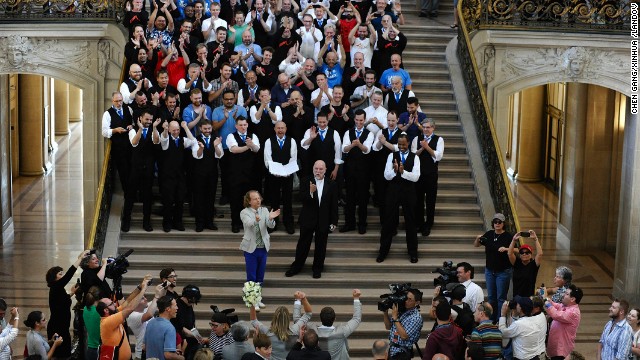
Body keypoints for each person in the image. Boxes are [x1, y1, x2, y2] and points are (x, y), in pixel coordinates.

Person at [285, 160, 339, 279]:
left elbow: (334, 205)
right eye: (316, 169)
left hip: (323, 220)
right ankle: (296, 267)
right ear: (313, 169)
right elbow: (300, 199)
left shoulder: (332, 184)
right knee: (303, 245)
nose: (318, 171)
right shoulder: (305, 180)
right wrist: (310, 192)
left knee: (321, 246)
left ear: (325, 170)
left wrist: (334, 221)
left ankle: (317, 268)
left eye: (320, 169)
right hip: (308, 219)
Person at [376, 133, 420, 263]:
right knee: (388, 221)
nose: (401, 147)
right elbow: (386, 175)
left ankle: (413, 252)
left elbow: (416, 177)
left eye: (404, 144)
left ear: (408, 143)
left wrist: (403, 172)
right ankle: (383, 252)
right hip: (393, 191)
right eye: (399, 144)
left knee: (411, 222)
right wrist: (395, 171)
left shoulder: (415, 157)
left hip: (409, 191)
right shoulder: (391, 155)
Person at [121, 110, 162, 232]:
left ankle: (146, 221)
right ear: (140, 118)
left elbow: (156, 141)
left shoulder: (154, 130)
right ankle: (126, 220)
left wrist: (154, 128)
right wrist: (139, 128)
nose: (149, 122)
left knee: (147, 196)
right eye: (147, 119)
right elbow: (134, 142)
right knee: (130, 195)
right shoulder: (133, 130)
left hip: (148, 168)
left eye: (150, 120)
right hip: (135, 168)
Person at [45, 249, 89, 358]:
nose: (63, 275)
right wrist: (80, 258)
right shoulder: (56, 287)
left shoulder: (58, 289)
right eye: (60, 274)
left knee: (65, 354)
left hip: (62, 327)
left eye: (62, 273)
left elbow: (61, 302)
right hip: (57, 328)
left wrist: (71, 293)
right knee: (61, 355)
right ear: (54, 278)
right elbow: (69, 274)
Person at [240, 190, 280, 309]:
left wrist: (272, 219)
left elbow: (270, 225)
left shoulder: (265, 210)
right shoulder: (244, 212)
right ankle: (251, 302)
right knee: (251, 276)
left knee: (260, 276)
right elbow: (248, 224)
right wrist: (255, 220)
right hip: (250, 248)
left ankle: (257, 298)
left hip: (263, 247)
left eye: (259, 198)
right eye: (255, 199)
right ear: (249, 201)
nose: (258, 200)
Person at [97, 275, 151, 360]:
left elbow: (128, 301)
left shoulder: (113, 314)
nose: (115, 304)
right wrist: (144, 290)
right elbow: (130, 308)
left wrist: (140, 286)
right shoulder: (107, 322)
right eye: (112, 304)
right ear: (106, 310)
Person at [159, 120, 200, 232]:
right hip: (167, 176)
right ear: (170, 130)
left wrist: (185, 128)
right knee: (168, 200)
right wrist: (165, 130)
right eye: (174, 130)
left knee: (180, 200)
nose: (176, 132)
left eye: (177, 130)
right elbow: (163, 138)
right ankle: (167, 223)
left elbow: (193, 141)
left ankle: (178, 222)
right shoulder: (166, 139)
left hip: (180, 176)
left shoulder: (183, 140)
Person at [474, 213, 513, 322]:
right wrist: (477, 239)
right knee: (491, 297)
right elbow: (476, 245)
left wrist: (506, 249)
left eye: (499, 222)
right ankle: (491, 319)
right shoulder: (489, 234)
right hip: (490, 270)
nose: (497, 224)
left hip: (503, 271)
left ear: (503, 223)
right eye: (495, 222)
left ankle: (500, 320)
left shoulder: (508, 236)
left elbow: (516, 250)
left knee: (501, 298)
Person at [250, 291, 312, 360]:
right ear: (288, 319)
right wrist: (302, 299)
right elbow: (308, 313)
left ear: (274, 318)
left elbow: (254, 321)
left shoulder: (267, 332)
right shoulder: (296, 330)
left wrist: (252, 303)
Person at [341, 109, 374, 234]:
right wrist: (352, 145)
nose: (359, 122)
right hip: (350, 169)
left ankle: (362, 224)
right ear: (354, 119)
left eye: (361, 120)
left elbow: (367, 150)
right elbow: (344, 149)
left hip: (364, 170)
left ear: (364, 120)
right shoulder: (348, 132)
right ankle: (350, 223)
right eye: (357, 120)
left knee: (363, 198)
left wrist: (358, 144)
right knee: (349, 197)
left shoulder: (369, 134)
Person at [227, 116, 261, 233]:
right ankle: (235, 223)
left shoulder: (253, 135)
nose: (243, 127)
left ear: (247, 125)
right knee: (235, 200)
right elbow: (234, 149)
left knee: (250, 202)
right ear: (236, 126)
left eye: (244, 125)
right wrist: (248, 146)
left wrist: (252, 146)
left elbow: (257, 149)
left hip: (250, 174)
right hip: (235, 174)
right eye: (240, 125)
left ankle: (249, 224)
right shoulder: (231, 136)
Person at [307, 289, 362, 360]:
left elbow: (298, 321)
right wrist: (356, 298)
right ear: (334, 318)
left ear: (320, 318)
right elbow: (357, 318)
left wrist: (298, 300)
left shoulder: (312, 331)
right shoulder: (342, 331)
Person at [263, 121, 297, 234]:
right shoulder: (269, 141)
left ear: (286, 129)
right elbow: (268, 158)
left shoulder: (292, 141)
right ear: (275, 129)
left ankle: (288, 223)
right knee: (274, 200)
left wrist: (287, 170)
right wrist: (274, 170)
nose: (280, 130)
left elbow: (293, 158)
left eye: (282, 128)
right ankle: (273, 223)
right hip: (273, 175)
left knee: (288, 199)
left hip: (288, 174)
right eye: (278, 128)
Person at [411, 118, 444, 237]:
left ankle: (428, 224)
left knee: (430, 201)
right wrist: (422, 147)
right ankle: (419, 223)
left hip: (431, 175)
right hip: (418, 175)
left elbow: (438, 156)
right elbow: (413, 154)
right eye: (424, 127)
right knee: (418, 200)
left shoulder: (439, 140)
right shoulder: (416, 139)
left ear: (433, 128)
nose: (425, 129)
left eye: (428, 127)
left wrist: (427, 147)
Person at [193, 120, 224, 232]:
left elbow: (220, 155)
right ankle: (199, 223)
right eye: (205, 129)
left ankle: (209, 222)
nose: (207, 131)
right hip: (199, 173)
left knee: (211, 198)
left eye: (209, 129)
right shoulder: (195, 139)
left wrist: (216, 146)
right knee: (199, 198)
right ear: (201, 128)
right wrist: (201, 148)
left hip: (212, 173)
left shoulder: (216, 139)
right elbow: (196, 155)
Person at [102, 91, 133, 192]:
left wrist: (131, 126)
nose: (119, 103)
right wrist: (115, 130)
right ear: (112, 101)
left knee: (133, 171)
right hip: (119, 149)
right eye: (117, 101)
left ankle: (134, 193)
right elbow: (104, 132)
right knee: (123, 173)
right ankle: (127, 194)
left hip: (131, 146)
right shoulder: (107, 114)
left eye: (121, 101)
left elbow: (133, 122)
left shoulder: (128, 109)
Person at [382, 288, 423, 359]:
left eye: (410, 299)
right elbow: (388, 327)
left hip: (402, 353)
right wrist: (385, 312)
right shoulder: (401, 311)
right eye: (406, 298)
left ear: (417, 302)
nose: (406, 301)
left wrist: (395, 318)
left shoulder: (416, 317)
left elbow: (404, 336)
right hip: (392, 350)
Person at [544, 284, 583, 360]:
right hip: (556, 344)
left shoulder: (574, 313)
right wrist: (547, 300)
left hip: (562, 349)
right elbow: (556, 305)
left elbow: (556, 315)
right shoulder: (566, 305)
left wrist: (548, 305)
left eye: (566, 294)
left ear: (572, 299)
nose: (563, 295)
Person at [128, 284, 166, 360]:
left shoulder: (144, 308)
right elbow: (149, 314)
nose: (146, 299)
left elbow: (160, 299)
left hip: (152, 351)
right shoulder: (132, 316)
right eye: (142, 298)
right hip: (142, 353)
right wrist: (156, 297)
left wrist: (164, 286)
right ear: (135, 303)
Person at [144, 295, 185, 360]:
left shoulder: (150, 323)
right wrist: (181, 358)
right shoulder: (169, 328)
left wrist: (172, 350)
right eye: (175, 305)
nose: (177, 308)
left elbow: (145, 347)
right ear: (168, 309)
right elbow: (168, 355)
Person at [508, 231, 542, 297]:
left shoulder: (533, 265)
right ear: (519, 255)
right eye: (522, 253)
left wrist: (535, 239)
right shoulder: (516, 263)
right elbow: (509, 254)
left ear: (531, 254)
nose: (524, 254)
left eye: (527, 253)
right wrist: (514, 240)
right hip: (517, 297)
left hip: (529, 297)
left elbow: (540, 254)